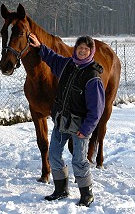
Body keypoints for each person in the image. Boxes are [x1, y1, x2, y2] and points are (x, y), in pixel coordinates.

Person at [29, 33, 105, 207]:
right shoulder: (67, 65)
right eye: (80, 48)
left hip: (80, 126)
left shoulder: (93, 76)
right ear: (75, 50)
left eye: (86, 49)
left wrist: (86, 129)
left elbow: (97, 110)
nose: (82, 51)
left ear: (91, 51)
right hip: (62, 121)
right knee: (54, 154)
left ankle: (87, 194)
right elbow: (53, 58)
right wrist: (40, 46)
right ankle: (61, 189)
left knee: (79, 160)